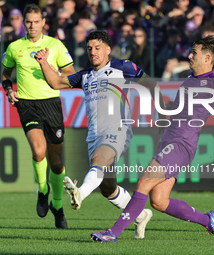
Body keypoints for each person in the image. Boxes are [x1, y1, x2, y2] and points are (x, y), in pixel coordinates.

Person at [90, 35, 214, 242]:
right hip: (169, 141)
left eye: (195, 53)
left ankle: (112, 233)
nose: (189, 56)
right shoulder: (190, 78)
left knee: (144, 181)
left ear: (207, 58)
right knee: (159, 201)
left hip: (182, 144)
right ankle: (209, 221)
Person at [34, 30, 166, 239]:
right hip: (94, 135)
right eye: (89, 49)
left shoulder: (123, 67)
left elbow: (152, 84)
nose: (92, 52)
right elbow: (56, 82)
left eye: (97, 48)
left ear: (107, 49)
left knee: (99, 161)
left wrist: (163, 112)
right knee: (107, 188)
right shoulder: (85, 75)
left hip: (117, 129)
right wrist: (43, 63)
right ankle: (141, 215)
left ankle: (80, 193)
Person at [1, 4, 75, 229]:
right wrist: (9, 91)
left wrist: (49, 70)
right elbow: (5, 74)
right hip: (27, 105)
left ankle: (58, 206)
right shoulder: (15, 47)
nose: (32, 25)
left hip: (52, 104)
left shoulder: (55, 45)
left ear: (43, 22)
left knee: (57, 163)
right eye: (28, 21)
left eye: (36, 21)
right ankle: (43, 190)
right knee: (38, 150)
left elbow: (71, 74)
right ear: (24, 23)